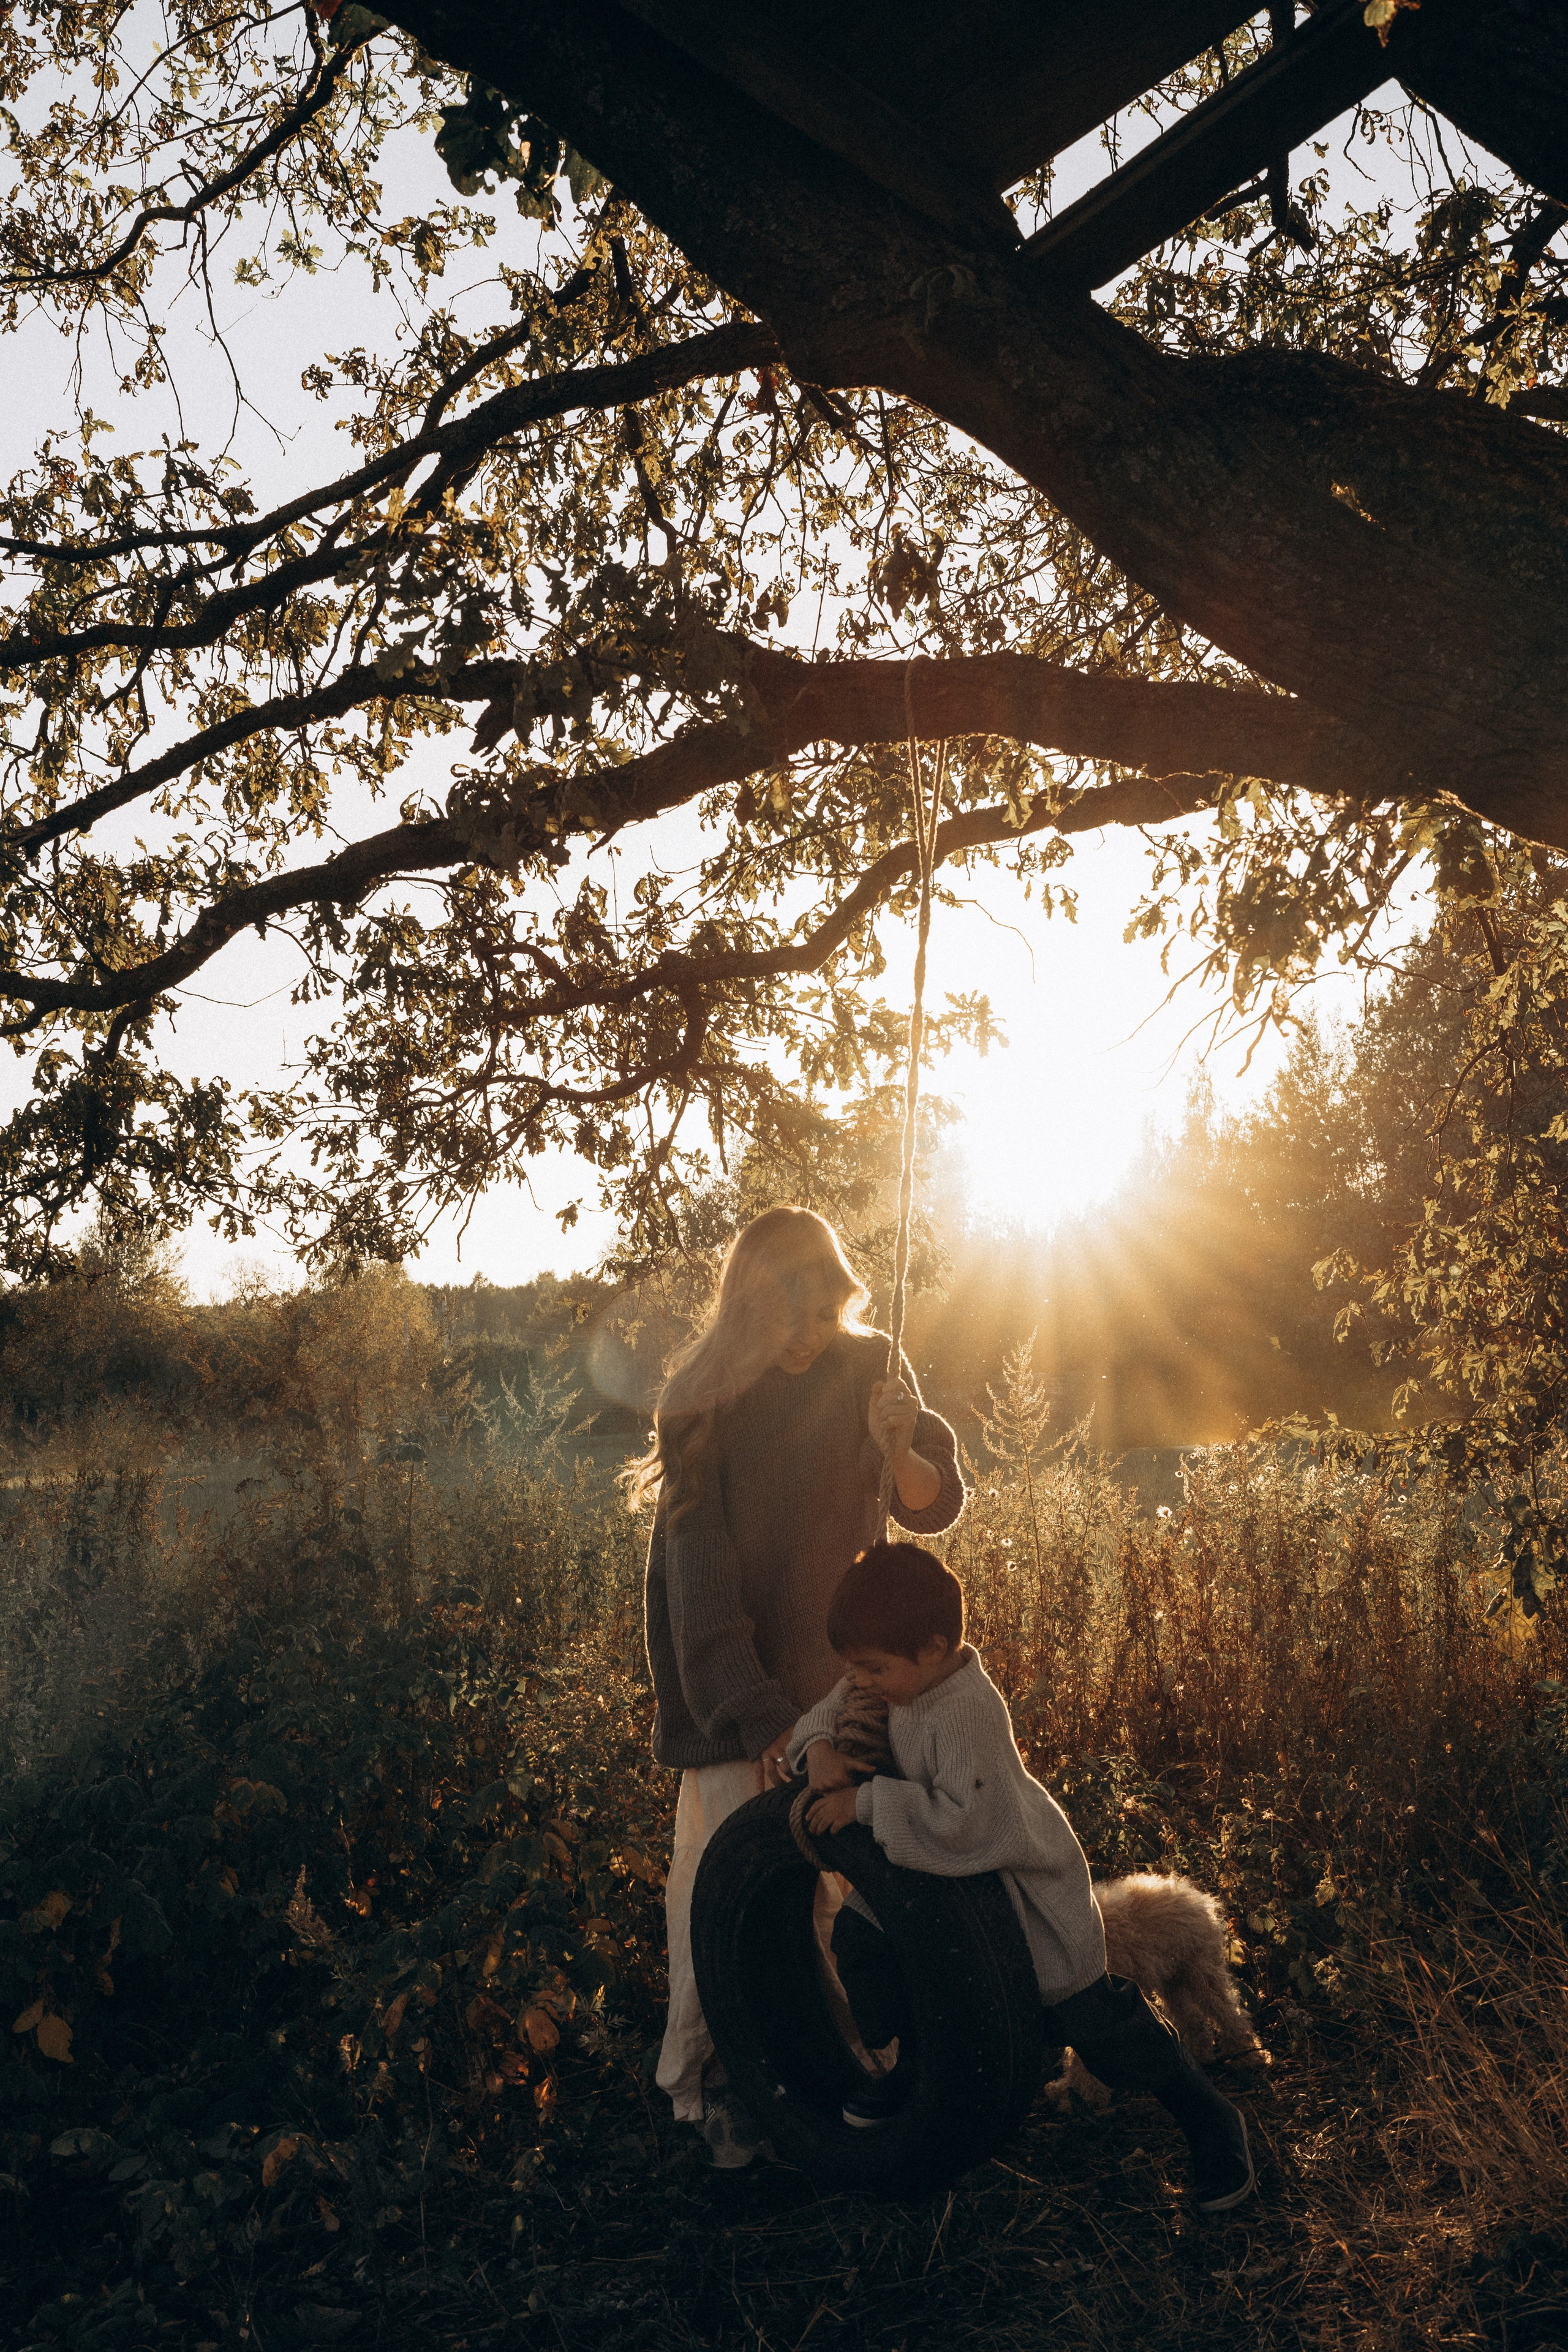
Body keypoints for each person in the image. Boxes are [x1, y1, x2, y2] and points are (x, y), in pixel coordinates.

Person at [633, 1205, 967, 2166]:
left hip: (847, 1688)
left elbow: (933, 1503)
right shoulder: (702, 1401)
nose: (810, 1339)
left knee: (833, 1899)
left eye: (825, 1316)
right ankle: (704, 2093)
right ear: (747, 1310)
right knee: (721, 1900)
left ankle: (821, 2082)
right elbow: (702, 1597)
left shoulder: (871, 1367)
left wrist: (899, 1446)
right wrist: (769, 1722)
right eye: (790, 1320)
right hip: (735, 1693)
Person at [791, 1540, 1256, 2214]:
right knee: (868, 1946)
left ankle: (1211, 2120)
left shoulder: (965, 1712)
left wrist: (861, 1803)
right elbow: (824, 1711)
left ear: (932, 1647)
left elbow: (970, 1823)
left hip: (1018, 1887)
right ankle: (910, 2066)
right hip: (934, 1884)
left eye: (870, 1668)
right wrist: (821, 1749)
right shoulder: (891, 1674)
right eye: (853, 1668)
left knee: (1094, 2022)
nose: (859, 1682)